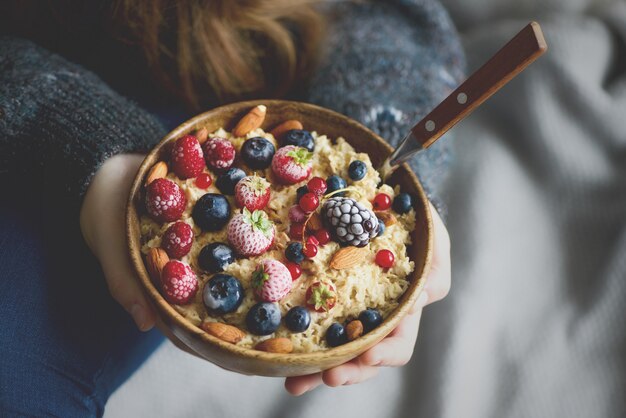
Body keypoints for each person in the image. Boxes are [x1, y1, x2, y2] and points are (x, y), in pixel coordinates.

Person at [0, 0, 463, 415]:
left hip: (265, 77)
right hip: (38, 93)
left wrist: (379, 123)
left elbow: (389, 12)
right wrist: (74, 128)